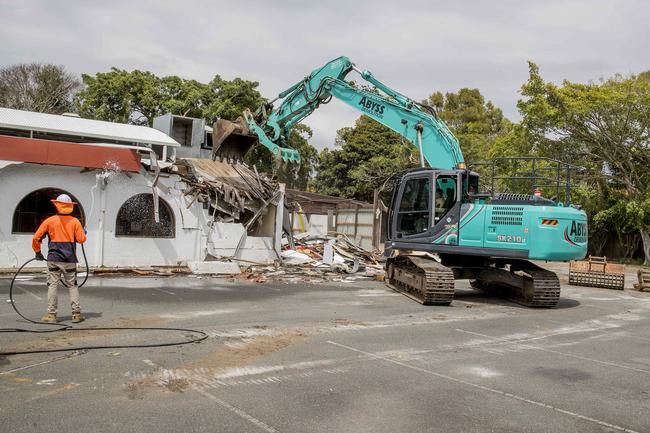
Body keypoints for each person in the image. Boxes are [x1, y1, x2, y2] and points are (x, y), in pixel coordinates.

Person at [32, 194, 87, 323]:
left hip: (54, 259)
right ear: (70, 207)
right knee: (72, 286)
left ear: (57, 205)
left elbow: (36, 237)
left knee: (52, 286)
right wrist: (83, 233)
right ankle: (76, 314)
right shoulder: (75, 221)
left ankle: (51, 315)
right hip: (70, 259)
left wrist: (37, 252)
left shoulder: (49, 221)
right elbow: (81, 240)